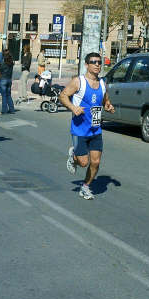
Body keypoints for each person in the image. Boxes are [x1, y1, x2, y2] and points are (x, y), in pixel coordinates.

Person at [59, 52, 115, 200]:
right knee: (83, 163)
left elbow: (105, 100)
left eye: (99, 62)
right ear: (86, 64)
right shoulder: (79, 82)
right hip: (79, 130)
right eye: (93, 62)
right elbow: (63, 96)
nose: (97, 65)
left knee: (95, 162)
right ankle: (74, 156)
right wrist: (72, 107)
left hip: (96, 129)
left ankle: (85, 187)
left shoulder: (102, 83)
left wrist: (108, 106)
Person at [0, 49, 16, 114]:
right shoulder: (11, 62)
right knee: (8, 95)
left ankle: (4, 110)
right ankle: (11, 109)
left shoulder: (2, 62)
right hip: (9, 79)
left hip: (3, 79)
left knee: (4, 96)